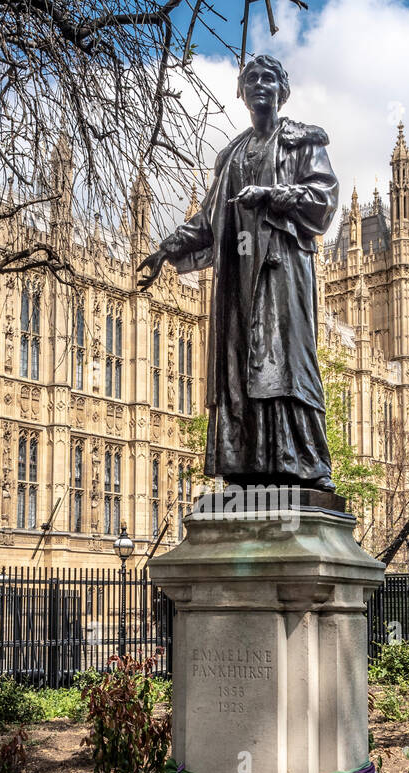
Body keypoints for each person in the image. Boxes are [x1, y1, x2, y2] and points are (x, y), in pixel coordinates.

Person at [138, 54, 339, 490]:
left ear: (282, 90)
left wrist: (270, 195)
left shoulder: (303, 143)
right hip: (238, 277)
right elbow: (209, 219)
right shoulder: (232, 155)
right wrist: (164, 249)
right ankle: (249, 465)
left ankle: (304, 464)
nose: (260, 86)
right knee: (240, 368)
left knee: (288, 365)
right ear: (241, 92)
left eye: (269, 79)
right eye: (251, 79)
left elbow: (323, 199)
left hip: (281, 270)